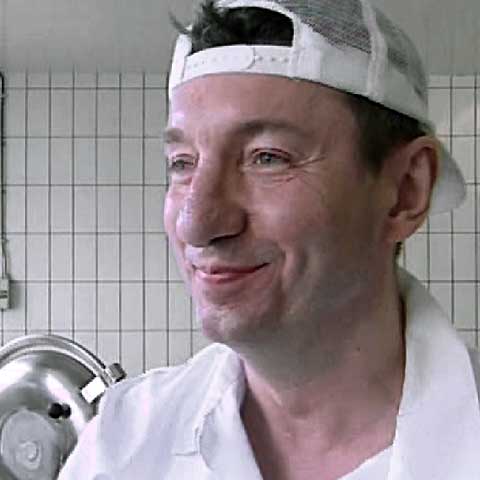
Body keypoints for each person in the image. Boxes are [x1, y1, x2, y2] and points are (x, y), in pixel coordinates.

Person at [59, 1, 480, 479]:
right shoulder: (121, 444)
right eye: (182, 162)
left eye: (268, 157)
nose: (196, 224)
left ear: (405, 191)